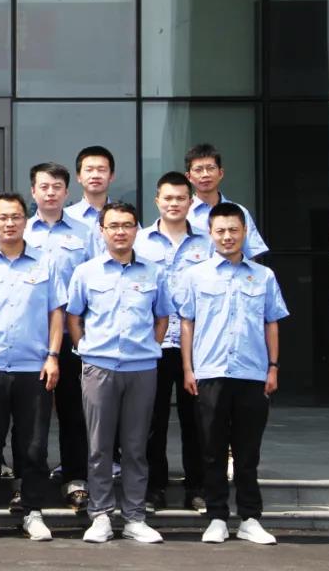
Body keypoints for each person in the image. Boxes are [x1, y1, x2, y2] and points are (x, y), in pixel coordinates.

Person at [181, 202, 289, 545]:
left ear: (245, 232)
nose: (227, 236)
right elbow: (187, 323)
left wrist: (273, 367)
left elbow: (271, 323)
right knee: (212, 450)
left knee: (247, 452)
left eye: (233, 230)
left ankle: (250, 518)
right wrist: (188, 368)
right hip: (210, 371)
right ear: (210, 234)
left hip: (252, 372)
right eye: (220, 231)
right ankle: (216, 517)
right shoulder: (196, 275)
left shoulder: (263, 276)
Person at [66, 202, 172, 544]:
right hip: (99, 368)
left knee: (136, 447)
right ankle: (100, 515)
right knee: (99, 447)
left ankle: (134, 517)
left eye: (127, 225)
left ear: (136, 229)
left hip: (141, 369)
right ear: (102, 231)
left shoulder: (154, 272)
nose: (120, 231)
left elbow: (162, 317)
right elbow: (74, 316)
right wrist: (84, 348)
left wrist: (148, 347)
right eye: (113, 225)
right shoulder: (86, 272)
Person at [0, 193, 63, 542]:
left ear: (25, 220)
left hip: (34, 368)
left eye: (16, 217)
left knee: (33, 446)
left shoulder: (45, 263)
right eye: (2, 217)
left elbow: (56, 312)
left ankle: (32, 511)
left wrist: (53, 355)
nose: (9, 223)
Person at [134, 172, 212, 512]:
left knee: (197, 421)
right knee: (153, 421)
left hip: (197, 345)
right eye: (168, 198)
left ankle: (198, 488)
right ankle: (154, 489)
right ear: (157, 201)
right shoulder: (140, 241)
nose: (174, 204)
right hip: (154, 343)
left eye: (181, 198)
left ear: (190, 202)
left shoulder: (207, 243)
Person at [24, 162, 92, 512]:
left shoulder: (86, 233)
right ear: (33, 191)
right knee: (29, 416)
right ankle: (27, 480)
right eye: (44, 187)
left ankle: (75, 478)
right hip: (30, 337)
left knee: (73, 411)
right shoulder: (21, 230)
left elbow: (97, 278)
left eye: (56, 187)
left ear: (67, 192)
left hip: (72, 336)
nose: (50, 193)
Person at [184, 143, 268, 259]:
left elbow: (251, 258)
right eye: (198, 170)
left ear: (221, 173)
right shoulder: (183, 214)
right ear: (188, 177)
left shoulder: (240, 212)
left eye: (211, 168)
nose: (205, 174)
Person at [64, 146, 116, 230]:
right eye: (89, 170)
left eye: (101, 170)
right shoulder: (65, 217)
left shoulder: (125, 217)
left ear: (111, 176)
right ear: (78, 176)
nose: (95, 175)